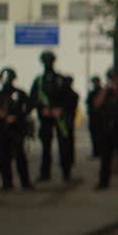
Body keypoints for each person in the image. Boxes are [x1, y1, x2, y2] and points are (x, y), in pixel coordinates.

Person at [0, 67, 33, 192]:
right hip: (2, 130)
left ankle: (25, 182)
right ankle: (7, 182)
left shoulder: (19, 93)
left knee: (20, 156)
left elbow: (28, 107)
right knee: (4, 157)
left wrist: (16, 117)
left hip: (16, 129)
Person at [93, 67, 118, 191]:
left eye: (116, 78)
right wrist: (105, 91)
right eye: (111, 78)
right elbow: (96, 104)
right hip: (107, 129)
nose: (114, 81)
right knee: (105, 158)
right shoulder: (104, 91)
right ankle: (103, 183)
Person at [29, 50, 66, 183]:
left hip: (60, 117)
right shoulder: (39, 81)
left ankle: (66, 172)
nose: (47, 63)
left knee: (64, 145)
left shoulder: (61, 79)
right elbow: (32, 99)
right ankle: (45, 173)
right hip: (45, 117)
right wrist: (41, 109)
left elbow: (70, 97)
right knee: (45, 147)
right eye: (45, 61)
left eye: (49, 60)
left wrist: (60, 109)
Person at [85, 77, 103, 159]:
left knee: (99, 136)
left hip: (100, 118)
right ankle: (96, 152)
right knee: (95, 136)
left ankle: (99, 152)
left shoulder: (101, 92)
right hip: (93, 118)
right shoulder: (92, 92)